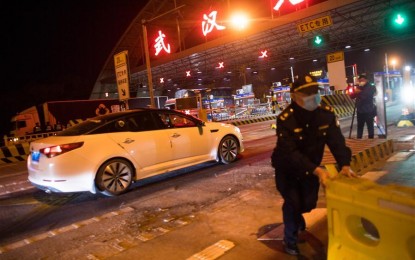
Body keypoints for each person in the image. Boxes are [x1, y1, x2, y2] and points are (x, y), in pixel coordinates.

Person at [271, 74, 357, 255]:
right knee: (293, 202)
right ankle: (290, 240)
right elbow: (290, 153)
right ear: (294, 97)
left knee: (308, 204)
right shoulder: (286, 119)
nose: (313, 97)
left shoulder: (325, 114)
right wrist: (317, 170)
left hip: (311, 169)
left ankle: (297, 220)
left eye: (315, 92)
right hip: (287, 169)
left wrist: (345, 165)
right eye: (307, 94)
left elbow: (336, 142)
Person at [354, 74, 376, 139]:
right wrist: (355, 92)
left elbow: (366, 96)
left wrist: (359, 92)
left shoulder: (370, 87)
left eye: (362, 80)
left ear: (366, 80)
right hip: (360, 110)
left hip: (368, 110)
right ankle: (359, 138)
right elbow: (352, 96)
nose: (361, 82)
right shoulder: (359, 87)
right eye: (360, 80)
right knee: (360, 126)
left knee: (370, 126)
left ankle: (371, 138)